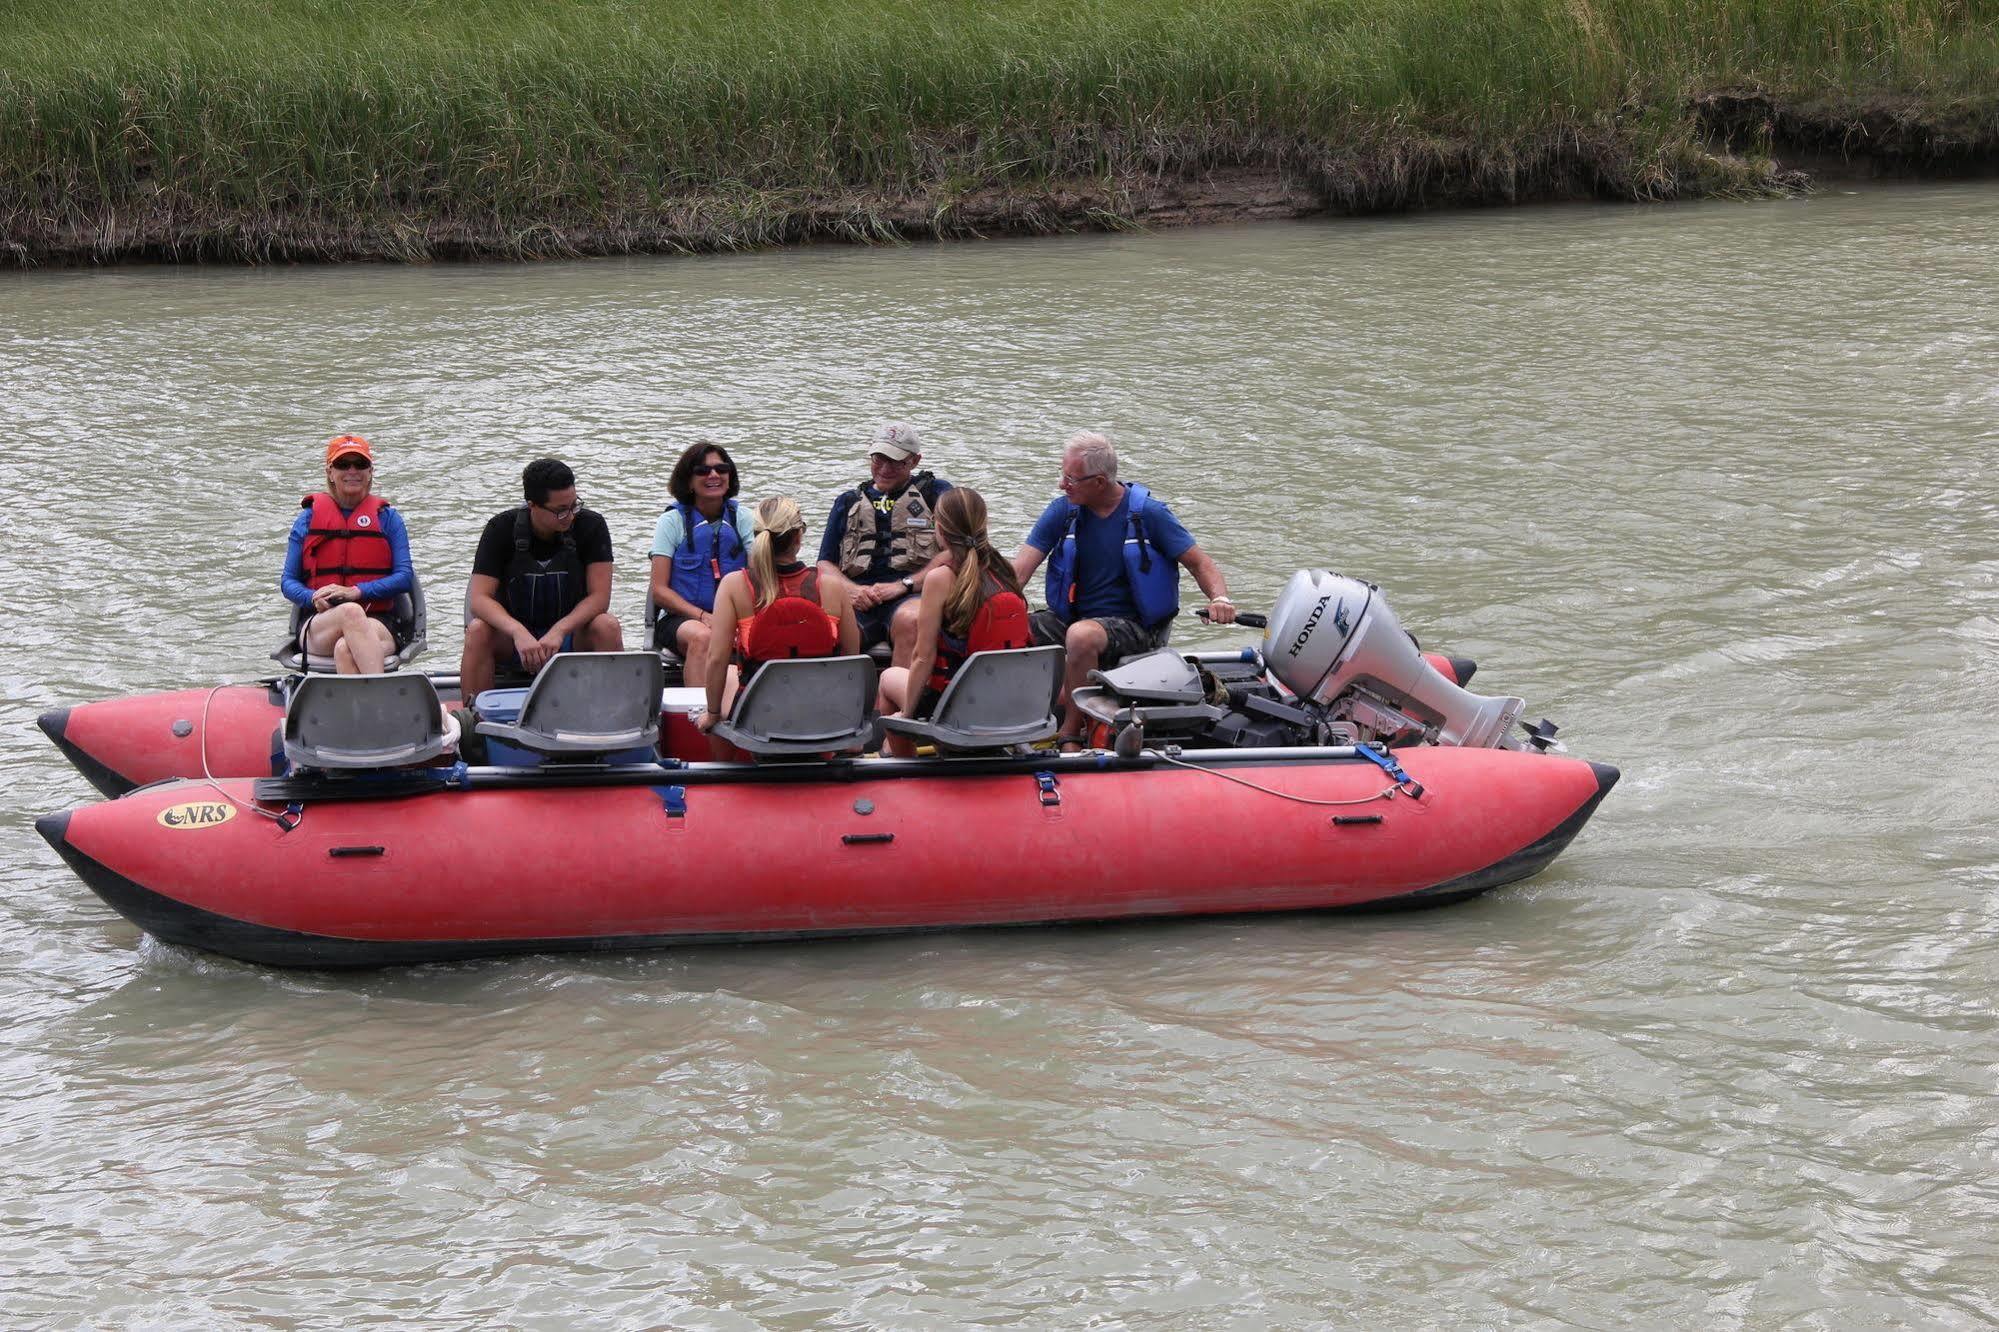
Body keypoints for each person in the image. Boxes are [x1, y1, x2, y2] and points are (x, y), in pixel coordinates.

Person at [1012, 431, 1237, 747]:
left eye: (1071, 479)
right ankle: (1013, 715)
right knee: (1011, 622)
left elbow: (1200, 563)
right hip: (1076, 618)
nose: (1062, 485)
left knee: (1080, 635)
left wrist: (1219, 598)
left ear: (1099, 482)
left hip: (1136, 629)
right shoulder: (1063, 511)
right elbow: (1018, 572)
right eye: (1063, 476)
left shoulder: (1150, 514)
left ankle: (1071, 733)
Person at [876, 487, 1031, 757]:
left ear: (940, 529)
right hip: (1007, 702)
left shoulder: (941, 578)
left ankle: (904, 766)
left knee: (888, 679)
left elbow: (923, 656)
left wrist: (907, 714)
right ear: (984, 526)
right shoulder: (1004, 571)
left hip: (956, 705)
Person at [461, 457, 622, 702]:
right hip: (515, 639)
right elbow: (480, 599)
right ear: (532, 505)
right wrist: (517, 632)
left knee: (607, 625)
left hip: (570, 634)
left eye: (574, 505)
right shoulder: (500, 529)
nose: (569, 516)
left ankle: (610, 714)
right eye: (560, 511)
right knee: (477, 631)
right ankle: (474, 721)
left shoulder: (592, 525)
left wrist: (560, 630)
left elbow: (600, 598)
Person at [698, 496, 860, 740]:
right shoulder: (832, 586)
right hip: (823, 713)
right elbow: (852, 658)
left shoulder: (734, 585)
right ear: (798, 537)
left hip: (759, 717)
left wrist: (711, 714)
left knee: (729, 676)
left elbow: (716, 658)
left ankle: (725, 765)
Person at [816, 422, 952, 667]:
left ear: (915, 461)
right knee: (826, 629)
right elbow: (825, 563)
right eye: (879, 459)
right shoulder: (847, 501)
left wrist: (904, 585)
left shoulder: (937, 493)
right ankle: (844, 698)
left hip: (911, 596)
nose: (885, 469)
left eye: (896, 461)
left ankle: (897, 699)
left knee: (913, 620)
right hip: (859, 599)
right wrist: (852, 591)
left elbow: (956, 552)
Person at [280, 433, 415, 674]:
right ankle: (388, 701)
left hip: (379, 621)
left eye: (360, 464)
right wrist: (312, 597)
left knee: (345, 648)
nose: (352, 470)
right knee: (351, 612)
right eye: (343, 464)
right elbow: (288, 582)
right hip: (319, 626)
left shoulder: (389, 519)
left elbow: (404, 577)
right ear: (330, 472)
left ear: (370, 471)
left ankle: (360, 710)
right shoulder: (307, 520)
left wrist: (357, 591)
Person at [649, 440, 753, 688]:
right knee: (704, 637)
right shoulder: (671, 522)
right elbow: (659, 590)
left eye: (721, 468)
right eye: (703, 471)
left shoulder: (744, 518)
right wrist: (703, 616)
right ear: (688, 480)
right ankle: (696, 720)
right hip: (681, 619)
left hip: (738, 617)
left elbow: (761, 574)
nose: (714, 475)